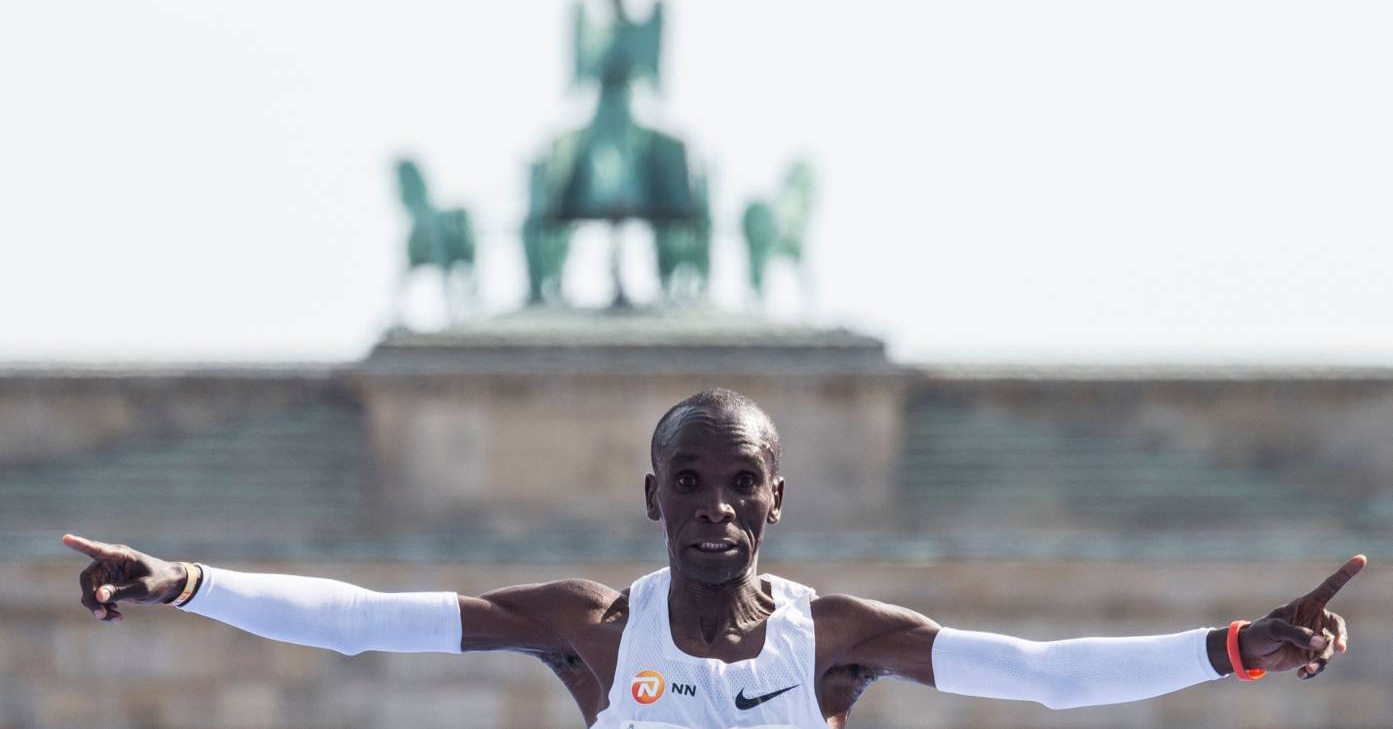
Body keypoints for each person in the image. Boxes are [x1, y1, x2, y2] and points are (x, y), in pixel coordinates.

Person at [65, 388, 1364, 728]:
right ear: (651, 498)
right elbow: (362, 621)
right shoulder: (588, 627)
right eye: (688, 481)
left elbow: (1044, 675)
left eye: (740, 482)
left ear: (775, 501)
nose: (715, 506)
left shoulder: (837, 642)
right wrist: (186, 582)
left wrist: (1239, 650)